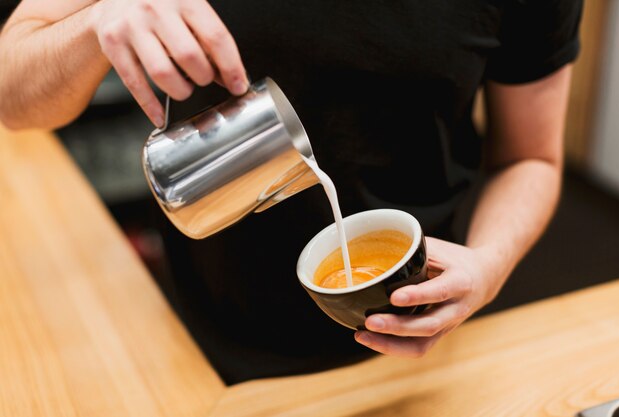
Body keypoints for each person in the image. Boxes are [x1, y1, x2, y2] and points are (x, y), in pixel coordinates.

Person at [0, 0, 583, 384]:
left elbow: (531, 157)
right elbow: (12, 93)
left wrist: (488, 265)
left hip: (427, 343)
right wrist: (99, 19)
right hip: (197, 336)